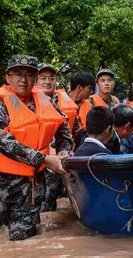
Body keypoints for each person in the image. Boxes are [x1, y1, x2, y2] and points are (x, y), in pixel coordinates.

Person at [0, 54, 72, 240]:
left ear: (35, 79)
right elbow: (5, 144)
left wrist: (63, 150)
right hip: (0, 184)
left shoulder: (46, 102)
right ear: (8, 77)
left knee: (21, 238)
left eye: (29, 75)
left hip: (31, 186)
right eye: (17, 74)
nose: (23, 79)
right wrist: (45, 159)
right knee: (1, 235)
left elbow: (63, 129)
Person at [36, 63, 75, 212]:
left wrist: (64, 151)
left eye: (51, 78)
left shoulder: (55, 106)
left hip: (55, 166)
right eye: (43, 78)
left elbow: (66, 135)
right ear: (35, 80)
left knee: (48, 211)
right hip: (32, 167)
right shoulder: (24, 104)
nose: (47, 82)